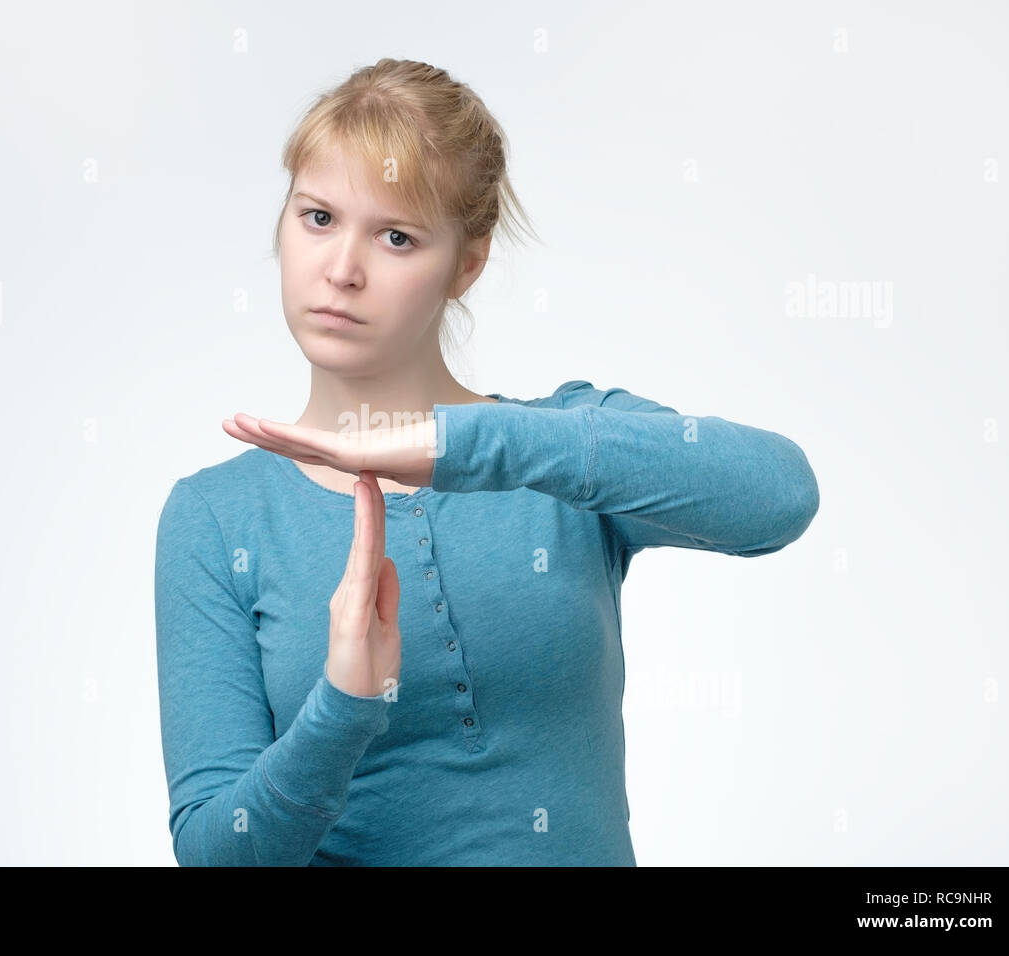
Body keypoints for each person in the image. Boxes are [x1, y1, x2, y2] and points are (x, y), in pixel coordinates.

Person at [155, 59, 820, 866]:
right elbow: (212, 853)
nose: (341, 270)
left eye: (396, 236)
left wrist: (465, 443)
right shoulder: (217, 518)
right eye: (319, 217)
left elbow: (779, 494)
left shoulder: (565, 452)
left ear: (467, 262)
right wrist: (343, 705)